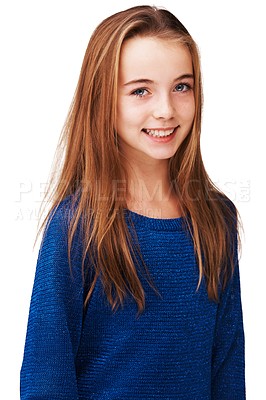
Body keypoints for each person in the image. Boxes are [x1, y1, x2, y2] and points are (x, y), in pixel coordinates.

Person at [20, 5, 245, 399]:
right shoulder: (76, 225)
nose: (165, 110)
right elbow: (46, 376)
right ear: (103, 99)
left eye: (182, 86)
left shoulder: (216, 219)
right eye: (141, 90)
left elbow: (227, 369)